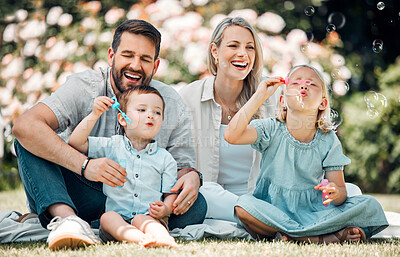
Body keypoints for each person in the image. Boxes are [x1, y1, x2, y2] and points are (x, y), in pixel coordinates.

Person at [12, 19, 206, 250]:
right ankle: (67, 220)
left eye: (145, 59)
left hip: (142, 200)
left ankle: (97, 224)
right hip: (83, 190)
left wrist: (192, 176)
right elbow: (25, 126)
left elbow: (182, 166)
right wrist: (86, 166)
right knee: (28, 139)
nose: (135, 65)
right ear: (111, 56)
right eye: (128, 55)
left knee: (197, 206)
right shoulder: (85, 87)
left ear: (155, 66)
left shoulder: (171, 102)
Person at [224, 64, 389, 243]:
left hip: (313, 212)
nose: (303, 86)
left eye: (311, 84)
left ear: (323, 103)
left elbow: (340, 192)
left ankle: (295, 236)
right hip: (273, 210)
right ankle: (319, 238)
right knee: (243, 206)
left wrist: (335, 193)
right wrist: (259, 96)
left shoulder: (328, 140)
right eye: (296, 83)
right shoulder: (270, 128)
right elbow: (231, 135)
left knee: (370, 205)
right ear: (282, 101)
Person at [179, 17, 280, 222]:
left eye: (249, 47)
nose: (243, 53)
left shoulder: (274, 96)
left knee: (350, 190)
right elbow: (175, 157)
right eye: (233, 45)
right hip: (215, 200)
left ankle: (261, 219)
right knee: (205, 191)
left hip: (264, 199)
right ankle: (268, 221)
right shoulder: (189, 97)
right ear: (215, 51)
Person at [69, 86, 178, 248]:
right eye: (142, 109)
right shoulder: (112, 146)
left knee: (142, 219)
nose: (150, 115)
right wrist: (95, 114)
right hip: (117, 220)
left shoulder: (165, 159)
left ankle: (163, 238)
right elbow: (76, 143)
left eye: (157, 112)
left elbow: (170, 192)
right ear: (122, 119)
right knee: (107, 217)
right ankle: (139, 238)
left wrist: (166, 208)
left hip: (149, 217)